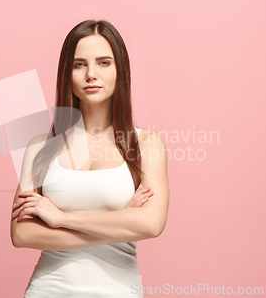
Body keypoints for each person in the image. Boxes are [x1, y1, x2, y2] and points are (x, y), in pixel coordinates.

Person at [10, 20, 169, 297]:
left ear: (120, 71)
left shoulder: (146, 144)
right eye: (79, 64)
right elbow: (21, 235)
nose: (91, 74)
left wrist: (60, 218)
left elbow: (151, 224)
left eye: (104, 63)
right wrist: (121, 221)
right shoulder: (40, 147)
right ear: (66, 74)